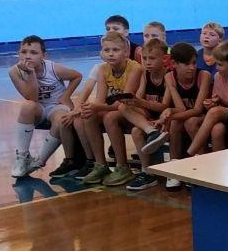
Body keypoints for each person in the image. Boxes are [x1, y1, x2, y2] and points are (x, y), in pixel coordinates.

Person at [8, 36, 82, 179]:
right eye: (24, 52)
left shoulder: (53, 68)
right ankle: (22, 156)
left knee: (62, 119)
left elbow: (77, 76)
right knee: (27, 106)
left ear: (44, 56)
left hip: (56, 107)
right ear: (18, 53)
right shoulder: (14, 72)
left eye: (33, 52)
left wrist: (66, 96)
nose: (28, 56)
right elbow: (32, 97)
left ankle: (39, 161)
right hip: (39, 109)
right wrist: (30, 73)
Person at [79, 33, 142, 186]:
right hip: (116, 109)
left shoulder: (135, 68)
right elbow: (101, 100)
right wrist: (91, 108)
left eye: (115, 50)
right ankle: (100, 165)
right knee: (88, 115)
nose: (111, 54)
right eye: (106, 50)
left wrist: (96, 106)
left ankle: (122, 167)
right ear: (101, 52)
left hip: (135, 112)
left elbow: (124, 102)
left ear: (126, 52)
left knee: (109, 117)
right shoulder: (102, 69)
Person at [158, 42, 211, 188]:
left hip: (205, 116)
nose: (192, 67)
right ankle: (174, 168)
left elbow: (198, 109)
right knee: (176, 122)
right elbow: (180, 108)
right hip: (186, 115)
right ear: (174, 63)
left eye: (194, 63)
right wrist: (170, 112)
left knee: (190, 122)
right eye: (187, 64)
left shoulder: (204, 76)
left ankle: (201, 165)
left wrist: (168, 117)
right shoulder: (170, 77)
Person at [126, 40, 176, 192]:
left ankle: (150, 171)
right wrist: (131, 100)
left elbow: (165, 106)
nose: (147, 62)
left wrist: (139, 102)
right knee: (123, 107)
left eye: (152, 58)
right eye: (145, 58)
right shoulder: (145, 74)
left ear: (164, 59)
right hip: (149, 117)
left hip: (166, 117)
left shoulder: (169, 75)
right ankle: (147, 171)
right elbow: (139, 97)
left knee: (136, 131)